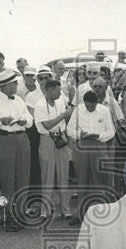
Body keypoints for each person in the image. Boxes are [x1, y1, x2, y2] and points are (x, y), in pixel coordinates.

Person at [0, 69, 32, 232]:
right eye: (14, 83)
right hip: (4, 140)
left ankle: (20, 213)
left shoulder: (19, 99)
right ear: (5, 85)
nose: (16, 85)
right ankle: (9, 214)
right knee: (6, 179)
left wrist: (24, 120)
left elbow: (30, 121)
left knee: (23, 177)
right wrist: (1, 121)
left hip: (21, 138)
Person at [68, 89, 117, 223]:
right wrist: (80, 135)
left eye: (93, 106)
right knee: (82, 179)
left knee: (98, 179)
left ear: (97, 102)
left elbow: (111, 131)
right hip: (81, 146)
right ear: (84, 102)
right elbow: (69, 129)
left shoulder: (104, 110)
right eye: (88, 106)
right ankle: (80, 213)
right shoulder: (77, 110)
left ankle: (98, 213)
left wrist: (99, 136)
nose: (91, 108)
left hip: (98, 145)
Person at [33, 78, 74, 221]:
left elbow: (65, 121)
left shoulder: (60, 101)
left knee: (64, 175)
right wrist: (63, 115)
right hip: (46, 140)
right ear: (49, 90)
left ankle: (65, 210)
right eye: (57, 91)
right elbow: (47, 125)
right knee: (47, 176)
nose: (60, 93)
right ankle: (45, 210)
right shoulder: (40, 105)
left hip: (60, 138)